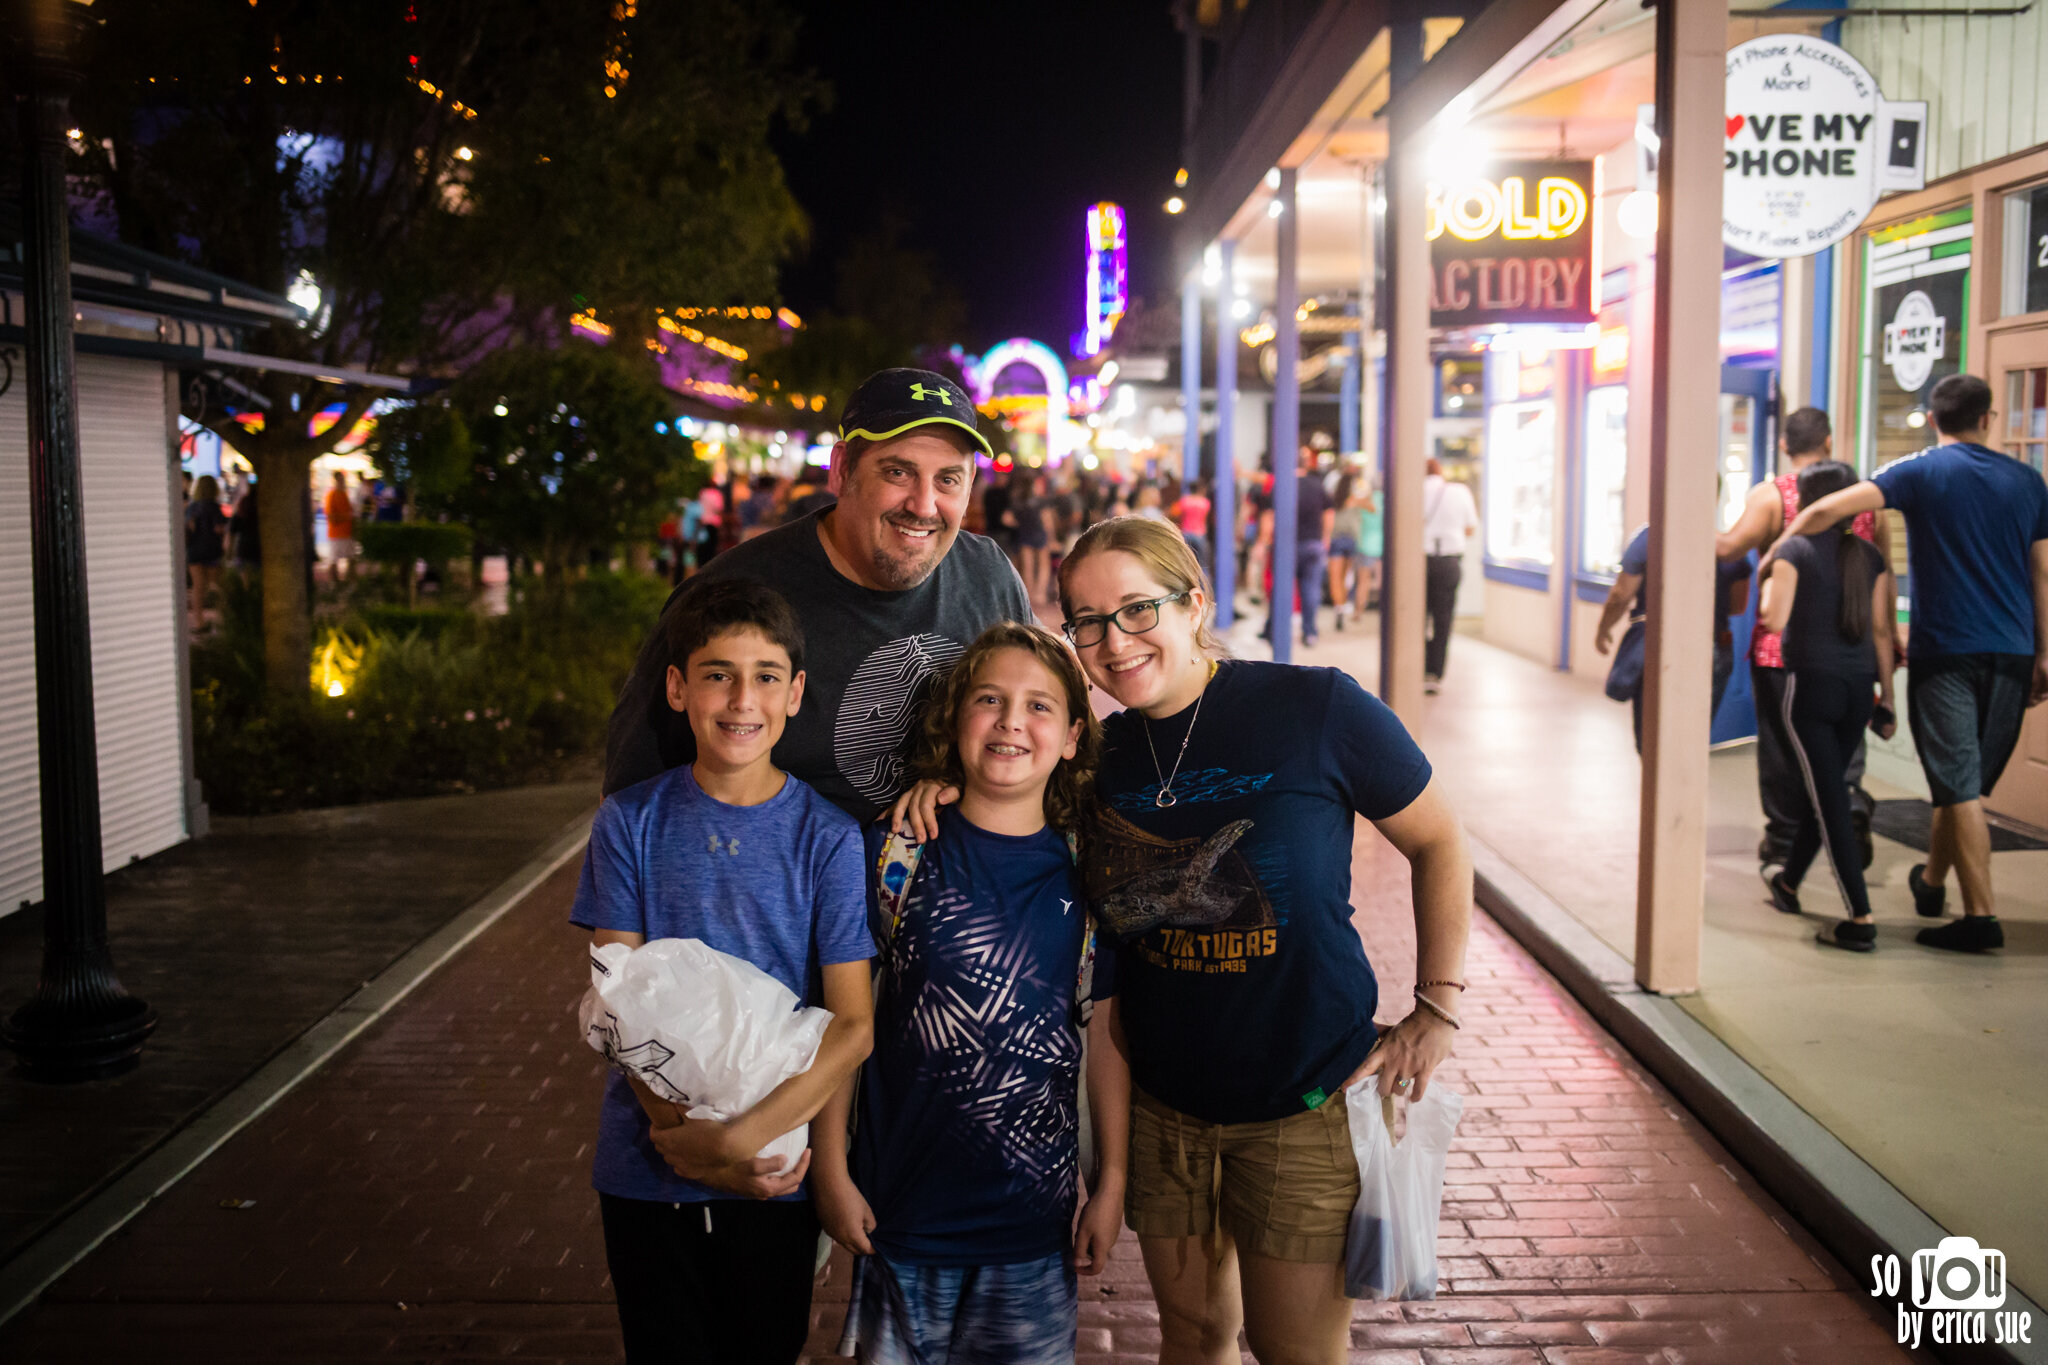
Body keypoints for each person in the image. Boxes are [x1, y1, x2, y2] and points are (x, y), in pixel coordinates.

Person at [893, 517, 1473, 1365]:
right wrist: (945, 782)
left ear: (1194, 602)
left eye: (1136, 609)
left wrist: (1438, 1005)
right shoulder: (1097, 754)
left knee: (1297, 1348)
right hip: (1165, 1108)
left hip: (1303, 1100)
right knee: (1196, 1335)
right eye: (1086, 621)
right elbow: (1012, 784)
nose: (1112, 640)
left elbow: (1441, 841)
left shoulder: (1314, 706)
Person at [571, 579, 877, 1365]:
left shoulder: (829, 838)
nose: (743, 698)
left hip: (777, 1167)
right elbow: (618, 1001)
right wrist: (683, 1143)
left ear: (796, 692)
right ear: (677, 686)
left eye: (766, 675)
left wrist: (742, 1140)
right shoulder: (629, 822)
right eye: (717, 673)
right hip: (646, 1163)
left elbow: (852, 1024)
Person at [816, 623, 1128, 1365]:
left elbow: (1107, 1032)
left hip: (1031, 1231)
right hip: (900, 1214)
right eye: (989, 699)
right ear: (956, 722)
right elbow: (842, 1024)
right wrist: (830, 1166)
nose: (1012, 720)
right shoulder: (892, 853)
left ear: (1074, 737)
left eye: (1039, 705)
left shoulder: (1090, 872)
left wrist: (1111, 1177)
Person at [605, 368, 1032, 822]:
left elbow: (1049, 728)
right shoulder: (727, 594)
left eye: (948, 479)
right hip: (786, 889)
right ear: (843, 469)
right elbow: (630, 804)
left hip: (964, 886)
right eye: (898, 472)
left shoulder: (989, 574)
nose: (924, 505)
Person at [1782, 373, 2048, 953]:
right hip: (2013, 648)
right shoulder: (2030, 481)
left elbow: (1830, 506)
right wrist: (2044, 650)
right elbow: (2041, 571)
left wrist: (1787, 548)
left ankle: (1981, 918)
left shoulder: (1921, 470)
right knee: (1965, 785)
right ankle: (1931, 883)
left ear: (1932, 418)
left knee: (1958, 788)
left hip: (1947, 648)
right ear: (1990, 418)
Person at [1717, 407, 1889, 872]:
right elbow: (1882, 584)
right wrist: (1886, 648)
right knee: (1844, 746)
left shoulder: (1771, 497)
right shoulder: (1866, 500)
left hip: (1784, 650)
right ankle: (1849, 804)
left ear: (1784, 446)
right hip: (1853, 648)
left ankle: (1783, 839)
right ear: (1829, 442)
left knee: (1781, 750)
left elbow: (1728, 548)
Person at [1752, 462, 1898, 952]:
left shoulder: (1795, 549)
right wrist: (1888, 699)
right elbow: (1881, 632)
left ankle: (1860, 917)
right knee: (1828, 786)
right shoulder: (1868, 556)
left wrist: (1769, 566)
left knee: (1828, 797)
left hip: (1811, 690)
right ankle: (1788, 884)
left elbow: (1773, 617)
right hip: (1860, 691)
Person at [1594, 524, 1753, 753]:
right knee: (1693, 740)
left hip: (1658, 645)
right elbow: (1737, 607)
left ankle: (1660, 788)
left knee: (1651, 741)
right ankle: (1684, 785)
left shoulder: (1648, 539)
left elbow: (1621, 594)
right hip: (1713, 645)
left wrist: (1603, 629)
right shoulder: (1730, 549)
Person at [1260, 445, 1335, 647]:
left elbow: (1269, 516)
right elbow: (1328, 513)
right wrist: (1325, 538)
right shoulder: (1317, 485)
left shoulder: (1282, 485)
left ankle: (1274, 630)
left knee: (1280, 588)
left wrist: (1265, 541)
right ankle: (1309, 632)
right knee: (1310, 590)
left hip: (1286, 546)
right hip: (1313, 544)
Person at [1422, 458, 1479, 692]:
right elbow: (1470, 528)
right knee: (1443, 618)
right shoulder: (1460, 492)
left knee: (1417, 618)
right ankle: (1435, 672)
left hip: (1420, 561)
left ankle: (1419, 664)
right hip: (1449, 562)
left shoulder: (1415, 491)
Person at [184, 474, 227, 630]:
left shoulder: (192, 507)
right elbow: (219, 528)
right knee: (216, 585)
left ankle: (198, 621)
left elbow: (189, 528)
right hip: (211, 551)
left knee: (197, 587)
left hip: (194, 551)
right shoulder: (214, 507)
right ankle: (223, 620)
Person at [1014, 473, 1054, 605]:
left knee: (1027, 567)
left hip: (1024, 534)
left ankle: (1028, 595)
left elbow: (1008, 518)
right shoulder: (1042, 501)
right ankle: (1040, 594)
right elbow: (1047, 521)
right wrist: (1052, 537)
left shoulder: (1019, 501)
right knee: (1043, 566)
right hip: (1040, 534)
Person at [1173, 478, 1213, 573]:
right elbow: (1207, 518)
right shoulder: (1205, 502)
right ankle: (1203, 584)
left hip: (1186, 532)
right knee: (1202, 563)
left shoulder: (1184, 501)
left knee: (1186, 561)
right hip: (1200, 533)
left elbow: (1176, 514)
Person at [322, 471, 355, 582]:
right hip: (336, 533)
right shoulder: (331, 495)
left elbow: (350, 511)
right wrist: (347, 516)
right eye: (340, 479)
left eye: (343, 479)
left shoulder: (344, 494)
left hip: (347, 532)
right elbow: (331, 516)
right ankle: (333, 583)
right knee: (333, 560)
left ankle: (348, 582)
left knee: (351, 558)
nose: (342, 482)